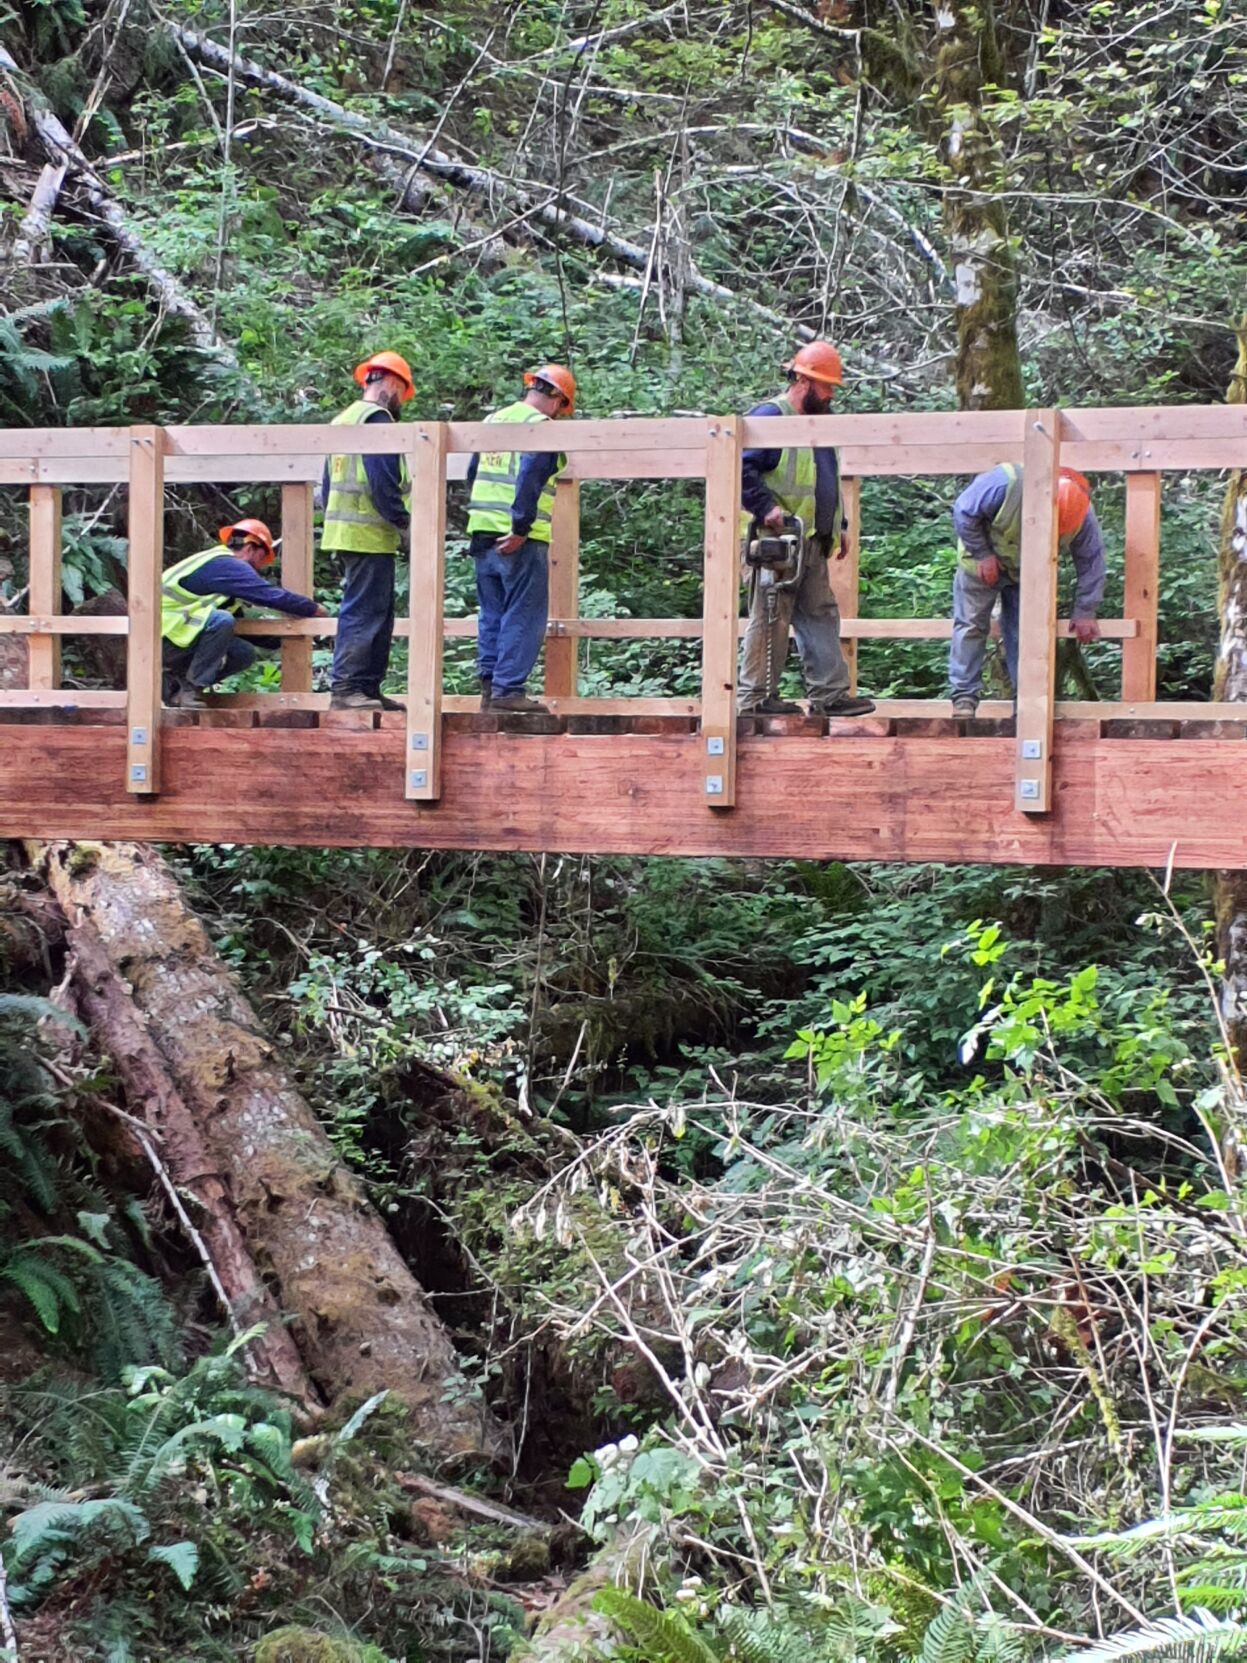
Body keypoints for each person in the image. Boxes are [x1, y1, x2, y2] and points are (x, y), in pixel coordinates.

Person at [738, 341, 875, 718]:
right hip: (775, 541)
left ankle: (830, 695)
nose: (831, 393)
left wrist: (841, 524)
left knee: (820, 613)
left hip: (812, 538)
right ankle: (754, 700)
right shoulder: (771, 417)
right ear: (802, 379)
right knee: (770, 613)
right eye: (826, 385)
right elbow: (738, 467)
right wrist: (765, 507)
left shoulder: (819, 426)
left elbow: (825, 480)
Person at [464, 364, 576, 713]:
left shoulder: (494, 421)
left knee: (492, 611)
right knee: (523, 613)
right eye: (562, 407)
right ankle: (507, 692)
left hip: (483, 530)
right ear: (556, 398)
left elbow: (473, 472)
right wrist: (520, 526)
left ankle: (489, 688)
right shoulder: (541, 429)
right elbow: (530, 473)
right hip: (517, 539)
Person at [949, 464, 1104, 716]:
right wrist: (983, 554)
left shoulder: (1081, 513)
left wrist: (1085, 610)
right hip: (978, 564)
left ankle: (1027, 706)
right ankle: (964, 697)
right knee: (971, 624)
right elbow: (964, 511)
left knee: (1027, 635)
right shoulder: (1004, 483)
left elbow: (1092, 560)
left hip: (1028, 575)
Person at [321, 351, 414, 711]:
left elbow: (328, 485)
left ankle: (366, 689)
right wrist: (404, 525)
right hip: (369, 534)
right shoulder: (377, 420)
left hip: (350, 532)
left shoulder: (343, 421)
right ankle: (347, 689)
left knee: (376, 611)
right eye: (403, 393)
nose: (401, 402)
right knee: (364, 611)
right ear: (392, 383)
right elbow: (383, 481)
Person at [161, 519, 326, 709]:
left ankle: (175, 685)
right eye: (262, 558)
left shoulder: (220, 572)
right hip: (160, 638)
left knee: (242, 653)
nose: (260, 566)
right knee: (222, 620)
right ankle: (191, 687)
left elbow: (239, 624)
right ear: (249, 548)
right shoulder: (227, 566)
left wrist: (282, 638)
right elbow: (269, 595)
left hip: (174, 637)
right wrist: (314, 610)